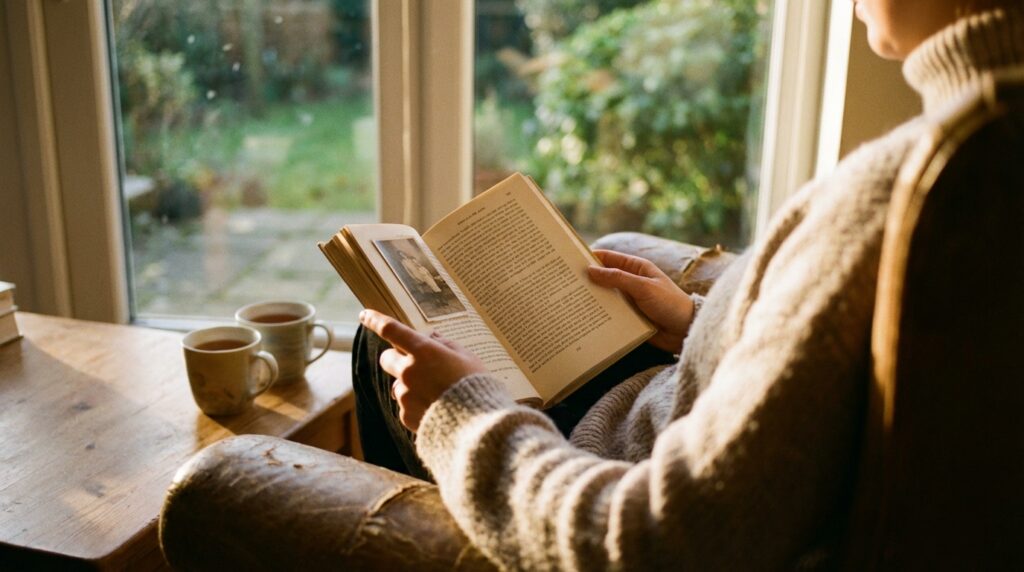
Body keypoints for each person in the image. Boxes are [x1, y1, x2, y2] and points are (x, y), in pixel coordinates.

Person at [354, 0, 1024, 569]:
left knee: (382, 350)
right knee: (604, 257)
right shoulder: (984, 142)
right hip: (682, 401)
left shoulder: (904, 190)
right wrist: (700, 322)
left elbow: (661, 542)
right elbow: (831, 375)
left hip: (611, 464)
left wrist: (463, 417)